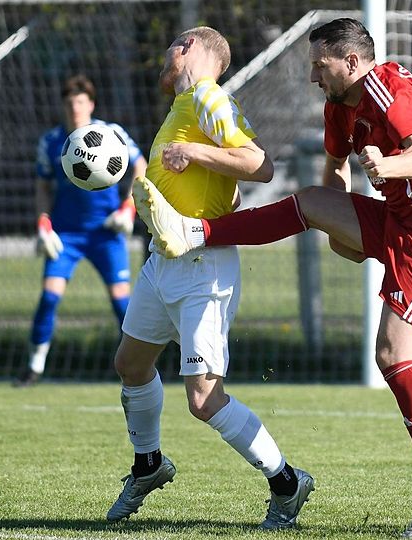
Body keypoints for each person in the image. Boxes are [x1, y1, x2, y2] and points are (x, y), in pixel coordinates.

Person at [131, 18, 412, 539]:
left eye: (319, 66)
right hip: (401, 220)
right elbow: (335, 174)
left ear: (350, 61)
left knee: (394, 354)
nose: (312, 76)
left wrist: (387, 170)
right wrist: (335, 220)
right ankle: (199, 230)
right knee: (310, 202)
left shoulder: (384, 86)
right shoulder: (338, 106)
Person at [106, 26, 315, 530]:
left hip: (204, 266)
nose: (163, 58)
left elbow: (260, 165)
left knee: (203, 398)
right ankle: (148, 463)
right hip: (163, 262)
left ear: (189, 49)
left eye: (169, 47)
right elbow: (229, 186)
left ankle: (288, 482)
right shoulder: (184, 108)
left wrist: (196, 155)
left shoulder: (206, 95)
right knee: (131, 364)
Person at [15, 75, 148, 387]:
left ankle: (140, 368)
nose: (75, 108)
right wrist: (43, 224)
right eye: (69, 102)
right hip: (67, 236)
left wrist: (128, 207)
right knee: (49, 298)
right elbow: (43, 187)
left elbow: (140, 165)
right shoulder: (51, 142)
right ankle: (34, 367)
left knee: (122, 305)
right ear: (63, 106)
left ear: (91, 104)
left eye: (80, 102)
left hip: (106, 233)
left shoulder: (111, 134)